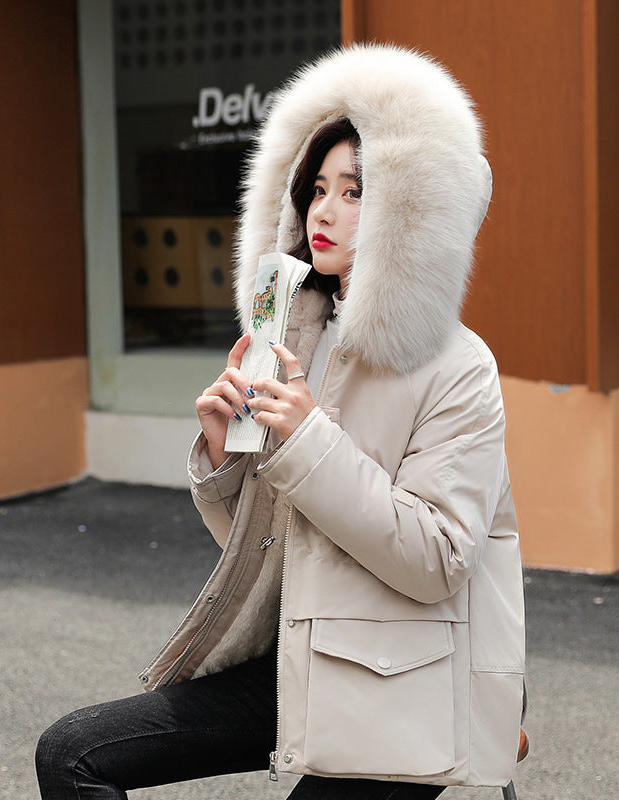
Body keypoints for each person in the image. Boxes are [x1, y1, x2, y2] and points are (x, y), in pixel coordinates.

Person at [36, 44, 525, 799]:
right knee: (72, 755)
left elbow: (435, 560)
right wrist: (223, 460)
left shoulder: (460, 367)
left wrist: (308, 442)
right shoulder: (296, 340)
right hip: (297, 656)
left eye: (356, 191)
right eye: (317, 188)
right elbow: (279, 549)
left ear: (414, 211)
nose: (323, 211)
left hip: (406, 683)